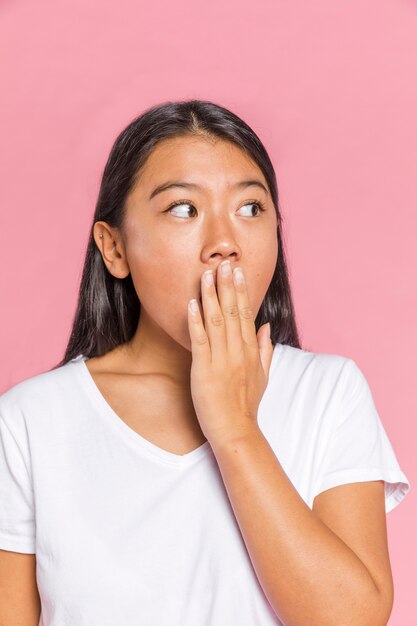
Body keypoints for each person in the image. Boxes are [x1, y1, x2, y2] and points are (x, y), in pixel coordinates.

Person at [0, 99, 410, 625]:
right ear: (114, 248)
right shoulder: (30, 422)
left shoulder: (328, 392)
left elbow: (351, 619)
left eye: (250, 209)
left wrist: (235, 429)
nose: (224, 244)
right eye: (183, 209)